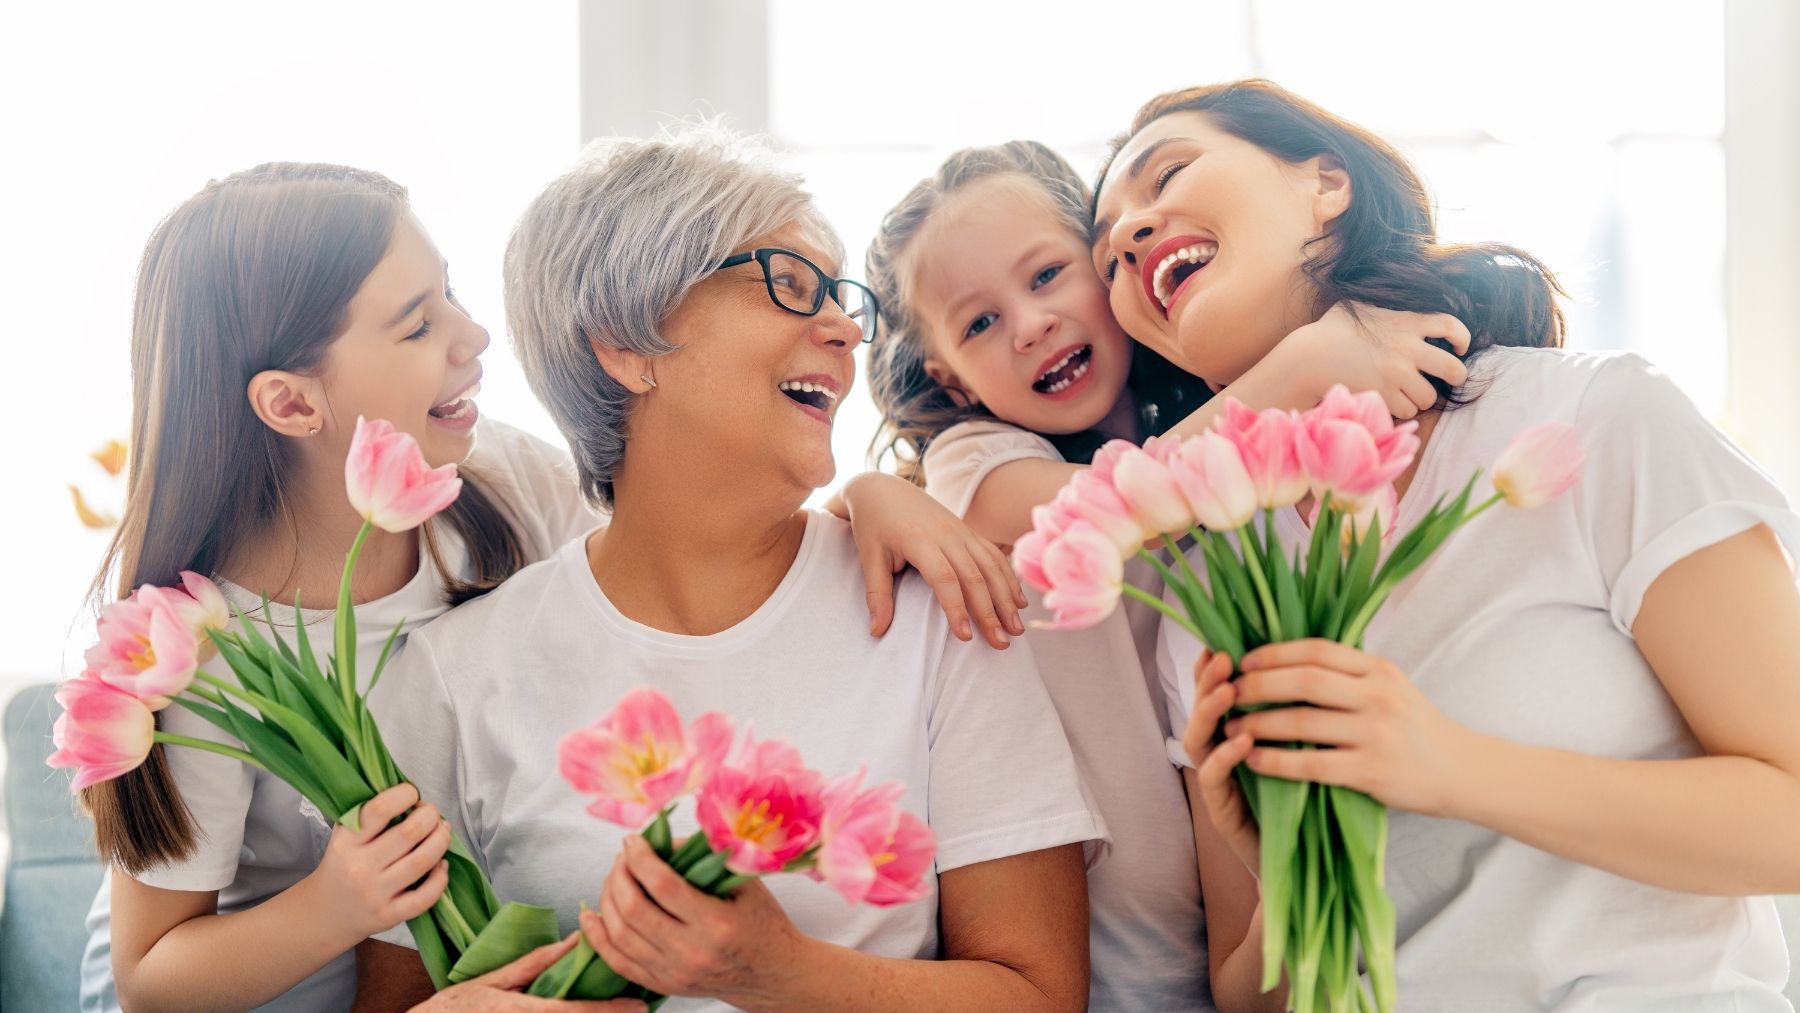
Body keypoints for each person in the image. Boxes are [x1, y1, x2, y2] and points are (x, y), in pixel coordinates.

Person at [78, 162, 1026, 1013]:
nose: (473, 332)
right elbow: (150, 975)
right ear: (291, 402)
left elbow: (676, 530)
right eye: (418, 321)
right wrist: (340, 902)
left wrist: (875, 495)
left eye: (448, 294)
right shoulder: (195, 650)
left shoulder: (487, 484)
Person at [355, 125, 1099, 1013]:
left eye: (840, 294)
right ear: (626, 344)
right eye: (790, 284)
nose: (845, 329)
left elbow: (1042, 993)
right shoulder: (452, 676)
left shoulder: (941, 609)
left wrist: (781, 972)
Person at [1092, 79, 1800, 1010]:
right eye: (1106, 254)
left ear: (1328, 182)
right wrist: (1295, 875)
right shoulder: (1205, 591)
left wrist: (1447, 765)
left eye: (1167, 175)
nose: (1132, 237)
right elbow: (1246, 992)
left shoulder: (1590, 418)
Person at [862, 138, 1470, 1010]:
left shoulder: (1196, 414)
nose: (1029, 323)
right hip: (1105, 961)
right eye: (980, 324)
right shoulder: (978, 460)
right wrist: (1302, 369)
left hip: (1236, 928)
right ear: (950, 381)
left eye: (1046, 277)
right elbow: (1116, 507)